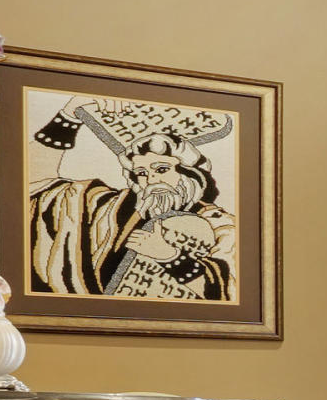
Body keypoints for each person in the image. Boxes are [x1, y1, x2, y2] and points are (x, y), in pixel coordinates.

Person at [26, 115, 236, 302]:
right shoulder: (104, 208)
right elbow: (34, 181)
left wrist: (170, 257)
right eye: (141, 173)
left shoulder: (219, 225)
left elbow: (229, 294)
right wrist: (68, 118)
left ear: (190, 173)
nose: (151, 179)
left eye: (161, 169)